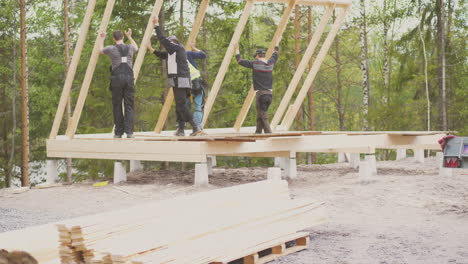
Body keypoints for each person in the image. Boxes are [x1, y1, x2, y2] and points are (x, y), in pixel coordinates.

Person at [149, 16, 202, 136]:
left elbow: (163, 40)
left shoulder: (177, 48)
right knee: (180, 105)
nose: (167, 46)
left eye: (169, 43)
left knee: (181, 105)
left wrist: (156, 25)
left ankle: (195, 126)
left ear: (173, 43)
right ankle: (181, 129)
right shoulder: (173, 53)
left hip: (180, 80)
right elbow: (162, 55)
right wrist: (151, 49)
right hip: (179, 80)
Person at [99, 29, 138, 138]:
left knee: (117, 106)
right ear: (123, 37)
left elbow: (100, 50)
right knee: (129, 105)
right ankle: (130, 132)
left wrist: (102, 38)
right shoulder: (130, 47)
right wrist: (130, 37)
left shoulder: (111, 49)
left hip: (117, 79)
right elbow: (137, 47)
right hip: (129, 78)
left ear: (113, 38)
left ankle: (118, 132)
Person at [235, 39, 280, 134]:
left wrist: (237, 50)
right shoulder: (270, 63)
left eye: (255, 56)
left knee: (263, 115)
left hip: (261, 94)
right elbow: (275, 54)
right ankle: (258, 132)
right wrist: (277, 43)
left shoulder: (255, 64)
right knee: (260, 113)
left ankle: (269, 133)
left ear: (258, 56)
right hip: (269, 94)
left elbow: (240, 61)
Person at [186, 42, 207, 129]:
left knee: (184, 107)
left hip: (184, 85)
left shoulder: (172, 58)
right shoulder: (187, 53)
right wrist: (194, 48)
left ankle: (181, 128)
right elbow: (203, 55)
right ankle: (197, 127)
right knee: (198, 106)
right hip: (195, 84)